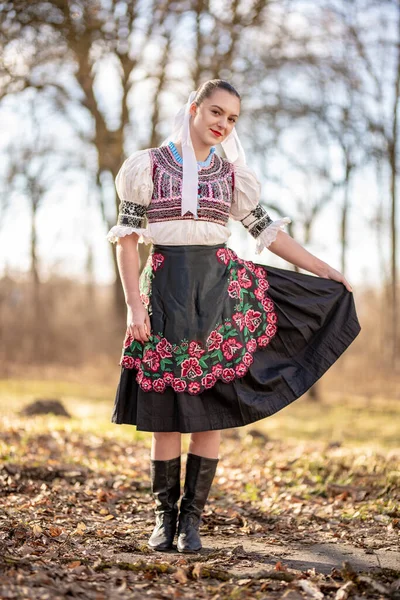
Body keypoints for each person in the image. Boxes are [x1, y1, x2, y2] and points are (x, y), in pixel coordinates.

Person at [106, 79, 361, 554]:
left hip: (219, 295)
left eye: (232, 118)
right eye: (216, 112)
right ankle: (163, 520)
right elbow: (127, 240)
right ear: (194, 109)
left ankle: (191, 524)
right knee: (165, 419)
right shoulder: (145, 168)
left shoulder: (231, 177)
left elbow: (270, 235)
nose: (223, 124)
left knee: (209, 417)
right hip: (163, 291)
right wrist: (133, 305)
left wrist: (325, 269)